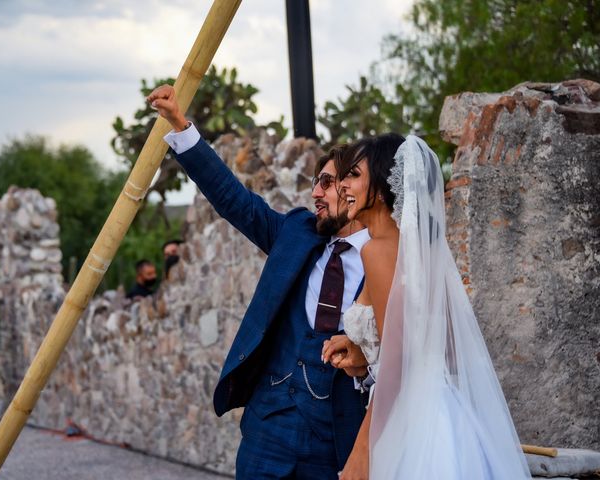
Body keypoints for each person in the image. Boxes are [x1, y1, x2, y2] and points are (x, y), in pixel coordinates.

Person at [147, 84, 371, 479]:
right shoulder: (296, 233)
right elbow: (234, 200)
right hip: (268, 428)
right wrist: (181, 126)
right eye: (315, 181)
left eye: (327, 183)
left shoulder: (386, 258)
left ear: (356, 190)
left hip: (337, 438)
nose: (315, 192)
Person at [324, 134, 531, 479]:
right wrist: (364, 349)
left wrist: (363, 450)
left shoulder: (376, 252)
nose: (343, 184)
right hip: (445, 411)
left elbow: (398, 362)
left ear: (384, 181)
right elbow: (439, 346)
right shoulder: (422, 250)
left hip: (411, 421)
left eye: (353, 175)